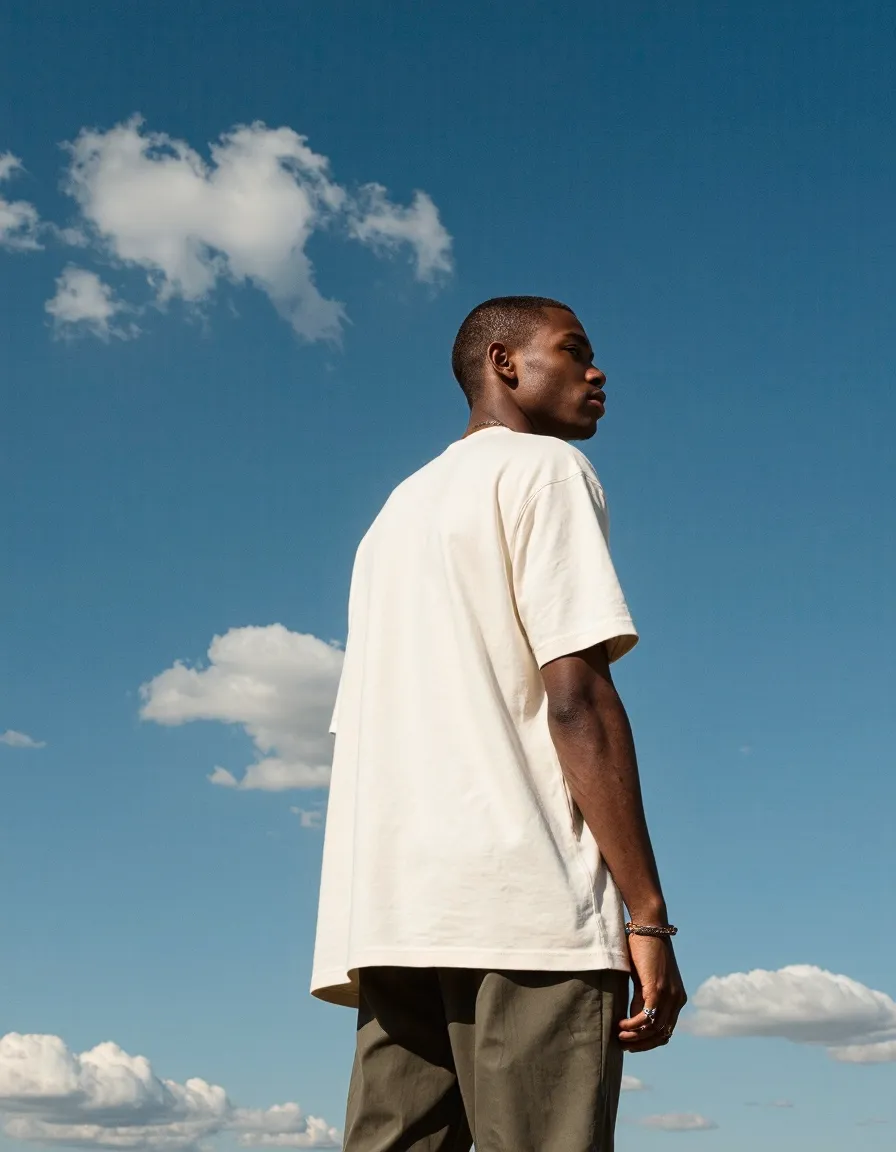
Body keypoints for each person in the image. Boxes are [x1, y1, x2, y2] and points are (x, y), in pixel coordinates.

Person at [311, 296, 686, 1151]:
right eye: (574, 350)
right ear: (504, 364)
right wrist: (648, 915)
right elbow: (576, 698)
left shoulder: (395, 514)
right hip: (526, 914)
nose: (598, 373)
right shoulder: (543, 469)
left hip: (393, 918)